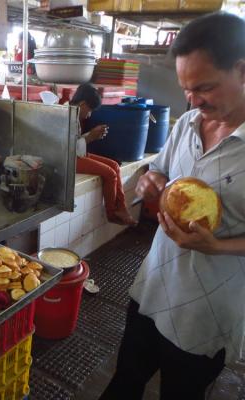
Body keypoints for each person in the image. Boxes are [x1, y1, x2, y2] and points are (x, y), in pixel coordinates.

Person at [100, 11, 245, 400]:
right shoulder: (187, 123)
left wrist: (219, 246)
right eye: (186, 89)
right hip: (154, 286)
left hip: (206, 309)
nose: (193, 100)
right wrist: (149, 179)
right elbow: (159, 170)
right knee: (124, 381)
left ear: (242, 71)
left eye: (205, 88)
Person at [71, 83, 136, 226]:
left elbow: (76, 142)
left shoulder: (74, 113)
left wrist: (92, 135)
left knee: (114, 165)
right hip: (68, 159)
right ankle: (111, 213)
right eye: (90, 110)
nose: (89, 115)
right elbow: (69, 148)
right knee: (110, 174)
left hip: (76, 154)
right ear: (82, 104)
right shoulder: (66, 114)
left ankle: (122, 208)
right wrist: (90, 137)